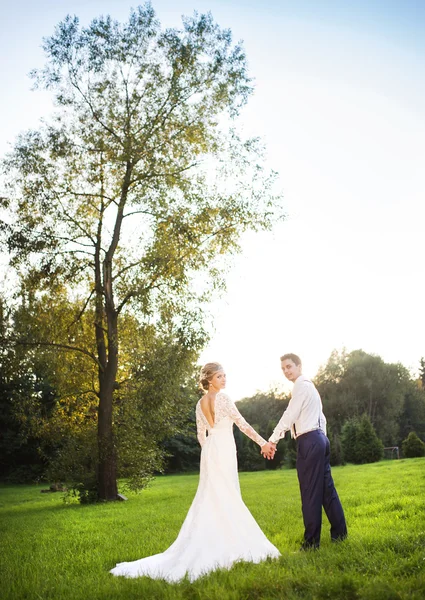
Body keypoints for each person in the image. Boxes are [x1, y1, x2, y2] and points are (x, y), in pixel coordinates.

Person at [110, 362, 280, 582]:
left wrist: (209, 452)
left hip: (210, 451)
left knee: (213, 496)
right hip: (224, 450)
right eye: (220, 377)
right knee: (226, 495)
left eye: (225, 376)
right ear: (209, 380)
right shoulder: (224, 399)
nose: (224, 380)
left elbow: (201, 435)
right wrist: (262, 443)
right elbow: (242, 424)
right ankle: (231, 542)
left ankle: (218, 539)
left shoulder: (200, 404)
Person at [267, 353, 347, 550]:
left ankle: (311, 544)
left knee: (310, 493)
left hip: (310, 441)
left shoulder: (301, 386)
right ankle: (340, 534)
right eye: (283, 368)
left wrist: (273, 439)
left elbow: (290, 414)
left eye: (289, 367)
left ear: (299, 366)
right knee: (327, 490)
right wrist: (322, 439)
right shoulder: (310, 386)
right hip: (319, 439)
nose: (286, 371)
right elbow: (322, 418)